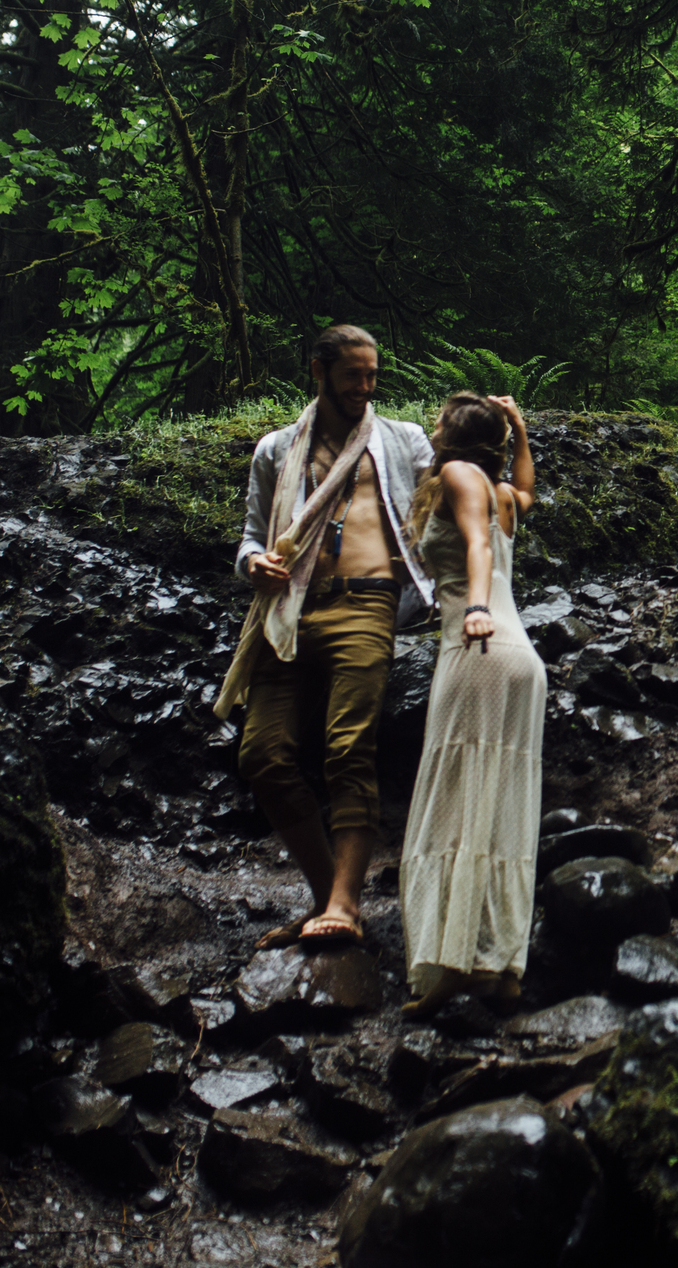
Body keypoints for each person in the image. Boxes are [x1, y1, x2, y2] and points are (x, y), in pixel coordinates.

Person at [213, 324, 435, 950]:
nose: (364, 388)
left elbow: (445, 499)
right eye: (351, 377)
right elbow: (252, 537)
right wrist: (251, 564)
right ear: (319, 372)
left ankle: (345, 902)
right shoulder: (277, 450)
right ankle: (322, 896)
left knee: (347, 751)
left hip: (367, 606)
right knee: (261, 756)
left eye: (371, 376)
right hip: (287, 612)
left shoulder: (401, 440)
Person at [399, 390, 542, 1017]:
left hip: (478, 647)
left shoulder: (458, 476)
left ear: (453, 435)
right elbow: (526, 489)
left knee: (455, 799)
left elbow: (476, 546)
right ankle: (500, 969)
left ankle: (452, 964)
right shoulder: (502, 491)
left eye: (438, 424)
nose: (432, 431)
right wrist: (521, 429)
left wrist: (477, 608)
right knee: (500, 804)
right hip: (521, 663)